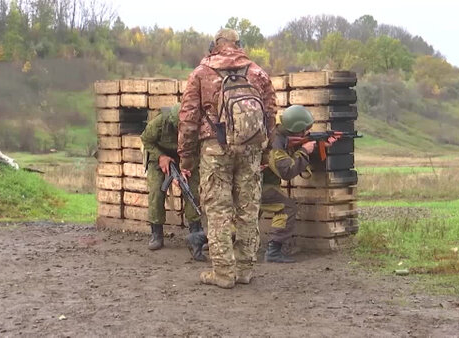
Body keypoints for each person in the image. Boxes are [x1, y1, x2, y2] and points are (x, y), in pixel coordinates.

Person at [178, 28, 277, 288]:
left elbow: (188, 120)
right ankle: (244, 269)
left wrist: (186, 158)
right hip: (251, 150)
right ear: (239, 45)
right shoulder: (258, 73)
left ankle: (223, 272)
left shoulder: (201, 73)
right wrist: (266, 151)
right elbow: (270, 116)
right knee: (248, 210)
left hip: (215, 149)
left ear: (215, 45)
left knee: (218, 211)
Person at [261, 105, 337, 263]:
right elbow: (286, 172)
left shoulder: (280, 135)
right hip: (256, 186)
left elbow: (294, 152)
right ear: (296, 129)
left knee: (243, 220)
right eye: (304, 130)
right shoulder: (275, 143)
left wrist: (318, 146)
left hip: (256, 184)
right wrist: (303, 150)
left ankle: (203, 239)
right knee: (287, 207)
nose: (306, 133)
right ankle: (274, 249)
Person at [140, 104, 207, 261]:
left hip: (185, 157)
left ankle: (195, 233)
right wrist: (161, 157)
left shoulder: (195, 126)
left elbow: (198, 149)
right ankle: (156, 233)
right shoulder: (159, 122)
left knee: (192, 191)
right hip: (159, 156)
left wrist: (185, 167)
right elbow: (146, 140)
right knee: (157, 191)